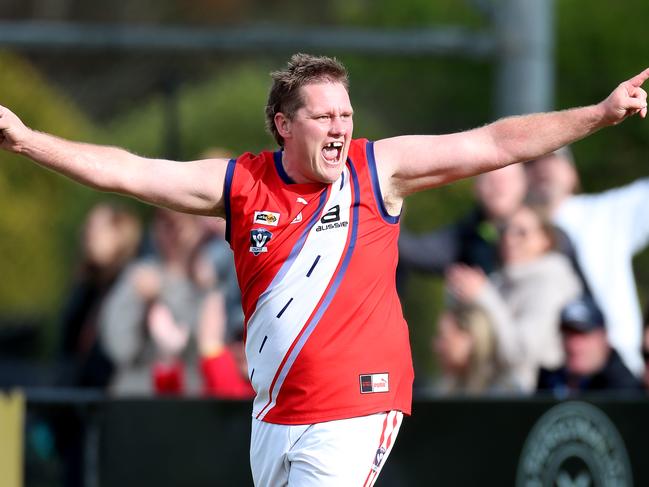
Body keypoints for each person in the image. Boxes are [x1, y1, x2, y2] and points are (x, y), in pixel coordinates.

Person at [1, 54, 647, 486]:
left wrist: (595, 115)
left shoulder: (377, 168)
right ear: (284, 124)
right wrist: (28, 139)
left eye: (346, 113)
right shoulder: (242, 183)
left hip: (356, 406)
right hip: (274, 413)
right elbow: (128, 170)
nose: (340, 126)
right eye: (323, 115)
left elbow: (494, 142)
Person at [526, 147, 649, 377]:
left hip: (618, 368)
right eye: (531, 162)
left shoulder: (606, 213)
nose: (542, 167)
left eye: (552, 158)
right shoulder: (511, 233)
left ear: (572, 173)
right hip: (542, 379)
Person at [446, 205, 582, 392]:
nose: (509, 239)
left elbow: (520, 353)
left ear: (545, 240)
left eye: (522, 232)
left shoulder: (548, 283)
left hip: (534, 400)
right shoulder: (502, 281)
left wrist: (484, 296)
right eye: (504, 231)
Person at [400, 163, 527, 276]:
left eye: (506, 181)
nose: (499, 187)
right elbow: (421, 252)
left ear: (524, 186)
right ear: (476, 188)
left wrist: (480, 294)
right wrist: (391, 215)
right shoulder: (469, 230)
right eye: (492, 181)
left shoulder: (539, 229)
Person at [537, 296, 643, 395]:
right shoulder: (548, 382)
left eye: (583, 335)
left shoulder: (626, 391)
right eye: (567, 335)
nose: (574, 345)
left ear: (603, 336)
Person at [433, 300, 516, 395]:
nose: (437, 346)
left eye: (444, 338)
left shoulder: (505, 393)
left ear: (469, 339)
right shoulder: (447, 391)